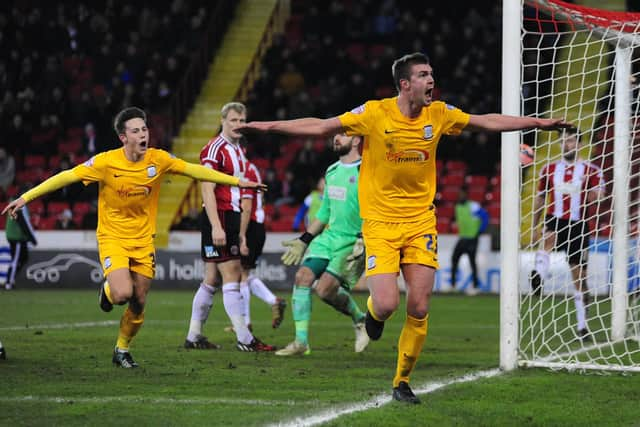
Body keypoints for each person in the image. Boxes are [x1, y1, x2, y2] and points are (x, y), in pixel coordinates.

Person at [237, 52, 572, 402]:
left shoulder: (438, 113)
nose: (431, 80)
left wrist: (536, 123)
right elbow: (322, 126)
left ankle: (401, 381)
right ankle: (371, 316)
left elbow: (485, 121)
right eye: (424, 75)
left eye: (432, 74)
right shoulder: (374, 113)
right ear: (405, 84)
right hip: (380, 224)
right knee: (385, 304)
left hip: (420, 222)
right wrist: (266, 127)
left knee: (420, 306)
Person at [2, 106, 266, 368]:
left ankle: (122, 349)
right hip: (113, 237)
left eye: (144, 128)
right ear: (123, 137)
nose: (143, 134)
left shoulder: (158, 159)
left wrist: (237, 182)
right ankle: (107, 291)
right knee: (122, 294)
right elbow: (66, 177)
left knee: (139, 301)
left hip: (143, 241)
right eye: (136, 130)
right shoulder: (105, 162)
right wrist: (26, 198)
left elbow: (195, 170)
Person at [183, 102, 276, 352]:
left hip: (230, 215)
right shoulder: (215, 149)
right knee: (233, 272)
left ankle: (193, 336)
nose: (238, 125)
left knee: (211, 278)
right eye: (233, 120)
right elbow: (206, 187)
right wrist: (216, 226)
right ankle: (245, 339)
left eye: (241, 120)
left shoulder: (236, 150)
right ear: (222, 121)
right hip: (221, 216)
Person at [274, 133, 369, 356]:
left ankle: (360, 319)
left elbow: (379, 205)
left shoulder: (366, 169)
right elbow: (324, 212)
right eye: (335, 135)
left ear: (356, 141)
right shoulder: (332, 171)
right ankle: (301, 342)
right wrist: (304, 240)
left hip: (353, 239)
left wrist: (366, 239)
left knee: (324, 291)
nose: (336, 138)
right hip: (328, 238)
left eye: (343, 135)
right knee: (302, 278)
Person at [530, 129, 604, 341]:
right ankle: (539, 276)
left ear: (579, 144)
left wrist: (596, 195)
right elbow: (540, 199)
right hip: (555, 219)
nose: (566, 145)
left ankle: (582, 326)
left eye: (570, 141)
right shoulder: (549, 169)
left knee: (579, 278)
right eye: (563, 141)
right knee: (548, 239)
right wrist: (535, 227)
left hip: (579, 225)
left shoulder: (591, 170)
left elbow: (600, 193)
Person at [236, 158, 287, 332]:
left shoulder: (245, 171)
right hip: (256, 227)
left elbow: (247, 207)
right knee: (242, 274)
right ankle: (274, 301)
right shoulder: (252, 169)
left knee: (240, 275)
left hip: (250, 228)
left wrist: (241, 234)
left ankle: (245, 322)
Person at [449, 188, 489, 295]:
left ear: (466, 195)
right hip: (462, 238)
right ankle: (453, 285)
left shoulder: (473, 206)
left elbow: (485, 216)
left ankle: (475, 286)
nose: (461, 197)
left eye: (462, 194)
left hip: (472, 238)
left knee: (472, 262)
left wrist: (480, 231)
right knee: (454, 259)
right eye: (459, 195)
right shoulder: (457, 207)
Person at [4, 194, 37, 290]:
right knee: (15, 260)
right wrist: (32, 239)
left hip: (17, 237)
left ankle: (11, 279)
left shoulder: (15, 203)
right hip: (16, 237)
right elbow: (23, 223)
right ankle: (9, 283)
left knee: (24, 258)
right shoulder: (19, 205)